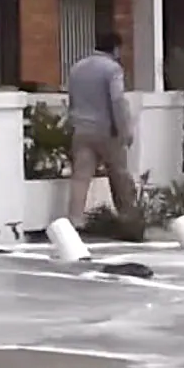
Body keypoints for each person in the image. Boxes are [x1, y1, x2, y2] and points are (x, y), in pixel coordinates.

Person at [65, 31, 140, 230]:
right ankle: (128, 218)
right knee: (119, 175)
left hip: (81, 129)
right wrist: (124, 130)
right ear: (115, 48)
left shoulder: (77, 68)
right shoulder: (113, 69)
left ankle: (74, 220)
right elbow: (117, 100)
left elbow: (71, 98)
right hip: (107, 131)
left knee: (80, 177)